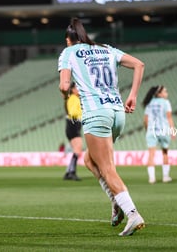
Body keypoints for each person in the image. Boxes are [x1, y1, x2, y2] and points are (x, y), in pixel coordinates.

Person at [58, 17, 145, 236]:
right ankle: (117, 202)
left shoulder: (69, 53)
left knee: (106, 168)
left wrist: (66, 92)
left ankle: (132, 213)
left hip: (96, 114)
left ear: (69, 40)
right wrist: (132, 96)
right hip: (117, 113)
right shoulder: (106, 49)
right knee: (89, 159)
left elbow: (64, 85)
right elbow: (138, 64)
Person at [142, 85, 176, 184]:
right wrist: (172, 131)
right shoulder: (166, 103)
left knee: (151, 154)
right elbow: (169, 117)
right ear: (159, 94)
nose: (166, 93)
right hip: (163, 130)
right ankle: (165, 177)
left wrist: (147, 129)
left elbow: (145, 120)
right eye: (165, 91)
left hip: (152, 130)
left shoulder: (150, 103)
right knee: (165, 153)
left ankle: (152, 178)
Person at [63, 81, 83, 181]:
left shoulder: (72, 98)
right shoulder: (74, 98)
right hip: (73, 124)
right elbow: (73, 112)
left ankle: (68, 172)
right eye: (77, 87)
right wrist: (82, 114)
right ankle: (72, 172)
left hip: (72, 125)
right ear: (73, 89)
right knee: (78, 149)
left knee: (77, 150)